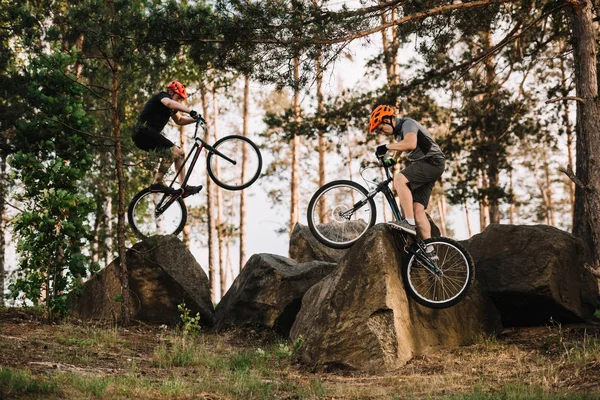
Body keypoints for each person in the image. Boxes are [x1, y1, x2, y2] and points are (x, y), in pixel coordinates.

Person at [369, 104, 446, 258]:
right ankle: (430, 251)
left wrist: (386, 147)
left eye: (381, 126)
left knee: (399, 180)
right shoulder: (398, 134)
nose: (381, 131)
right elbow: (402, 146)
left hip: (431, 162)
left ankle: (409, 223)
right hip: (433, 165)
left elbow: (410, 143)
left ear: (388, 119)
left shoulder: (408, 124)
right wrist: (393, 160)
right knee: (418, 210)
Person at [133, 80, 202, 196]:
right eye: (178, 98)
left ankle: (184, 187)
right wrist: (190, 111)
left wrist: (196, 119)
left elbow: (179, 120)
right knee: (173, 152)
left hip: (146, 137)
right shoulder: (163, 96)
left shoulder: (171, 107)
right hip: (143, 131)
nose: (179, 101)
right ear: (170, 92)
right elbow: (169, 103)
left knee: (179, 154)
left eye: (181, 99)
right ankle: (157, 183)